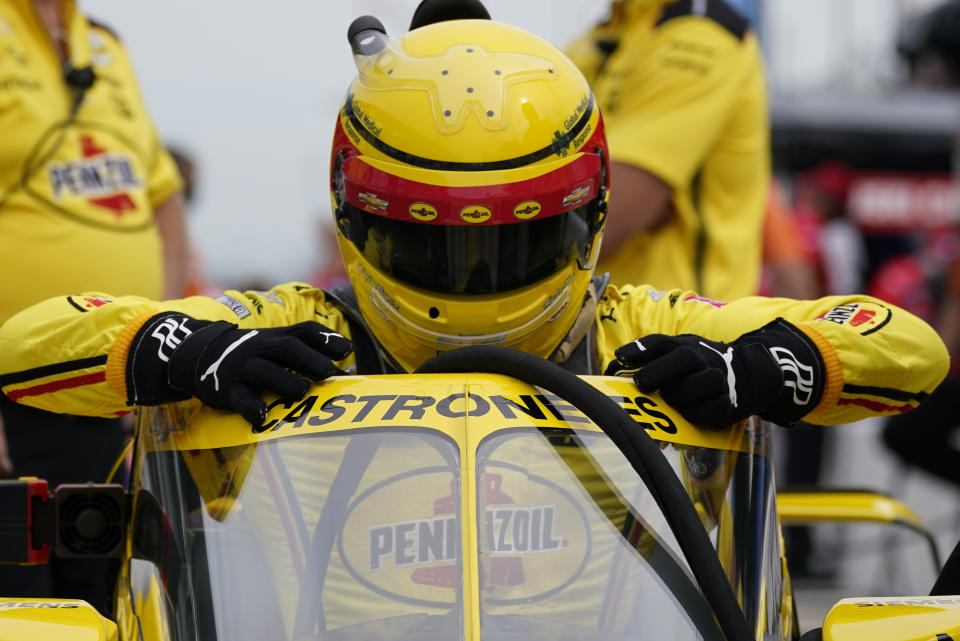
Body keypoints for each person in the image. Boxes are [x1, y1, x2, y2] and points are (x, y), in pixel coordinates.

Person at [0, 3, 948, 501]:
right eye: (431, 241)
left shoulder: (638, 330)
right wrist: (181, 350)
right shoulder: (293, 332)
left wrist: (763, 367)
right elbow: (29, 342)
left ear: (584, 215)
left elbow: (906, 345)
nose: (473, 277)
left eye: (512, 240)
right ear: (357, 214)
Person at [0, 0, 186, 613]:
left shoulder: (103, 43)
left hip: (114, 399)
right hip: (14, 407)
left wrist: (169, 360)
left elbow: (161, 198)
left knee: (117, 609)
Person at [564, 0, 769, 301]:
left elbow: (603, 219)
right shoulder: (598, 39)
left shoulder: (701, 39)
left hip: (684, 334)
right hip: (593, 322)